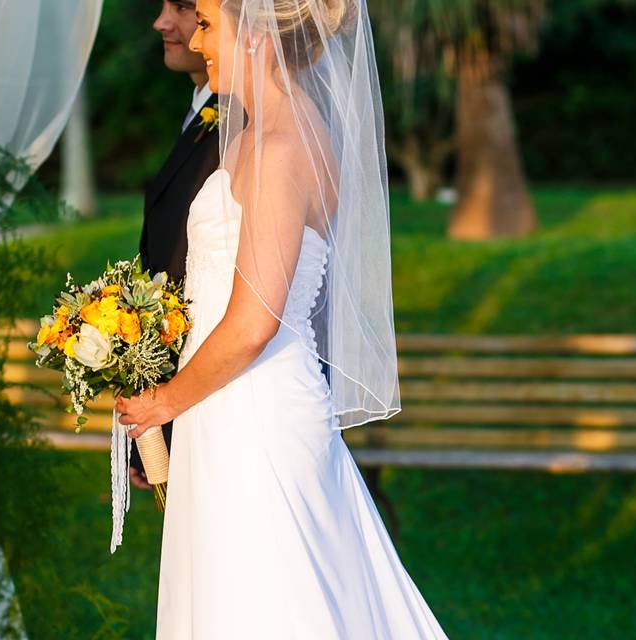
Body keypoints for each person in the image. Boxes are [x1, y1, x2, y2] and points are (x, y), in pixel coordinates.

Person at [116, 0, 448, 636]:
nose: (201, 41)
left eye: (210, 24)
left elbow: (254, 321)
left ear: (258, 33)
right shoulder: (252, 135)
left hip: (255, 417)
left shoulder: (279, 144)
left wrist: (164, 403)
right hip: (226, 409)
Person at [129, 0, 221, 490]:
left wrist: (166, 405)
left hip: (215, 398)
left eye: (184, 8)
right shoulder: (203, 113)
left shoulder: (244, 126)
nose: (161, 22)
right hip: (181, 396)